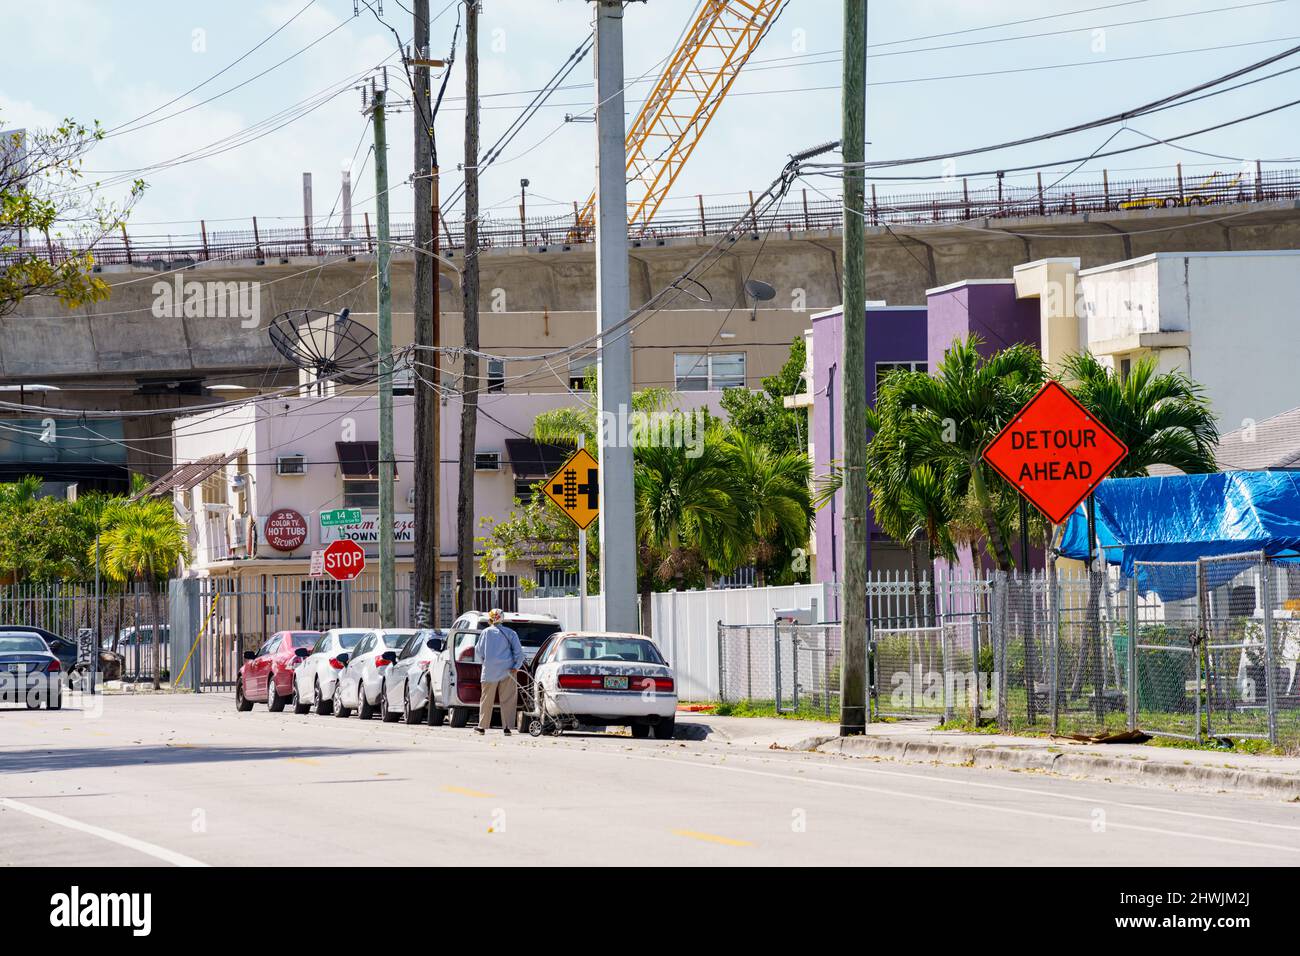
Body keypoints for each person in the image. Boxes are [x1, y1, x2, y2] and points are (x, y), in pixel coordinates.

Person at [475, 608, 523, 735]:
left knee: (486, 699)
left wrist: (485, 663)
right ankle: (507, 727)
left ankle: (482, 726)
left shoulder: (485, 633)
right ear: (502, 618)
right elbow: (519, 653)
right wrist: (516, 666)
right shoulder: (511, 633)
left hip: (489, 671)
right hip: (508, 670)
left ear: (490, 618)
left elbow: (478, 651)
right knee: (508, 699)